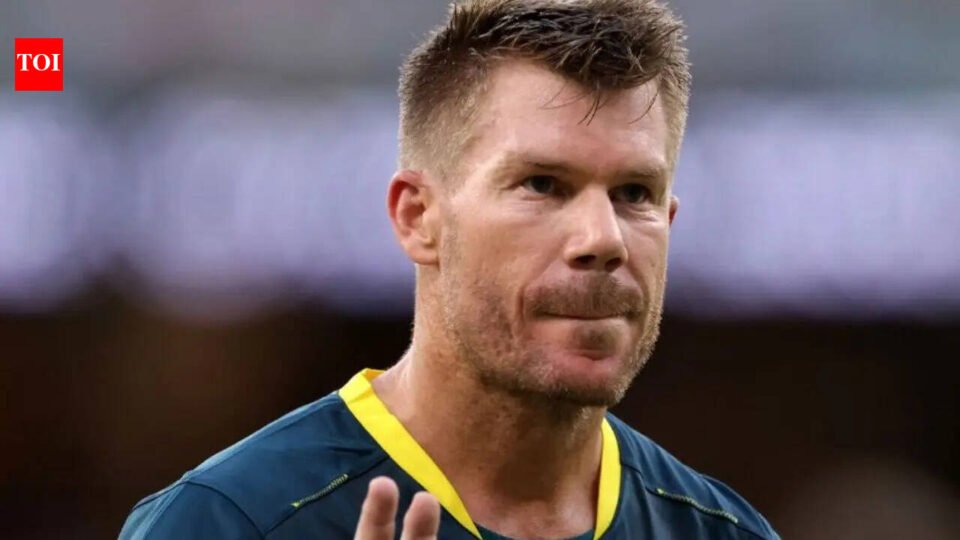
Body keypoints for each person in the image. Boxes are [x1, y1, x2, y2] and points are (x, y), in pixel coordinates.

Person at [120, 0, 781, 538]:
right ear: (418, 217)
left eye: (634, 193)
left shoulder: (726, 532)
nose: (602, 238)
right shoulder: (227, 521)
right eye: (542, 184)